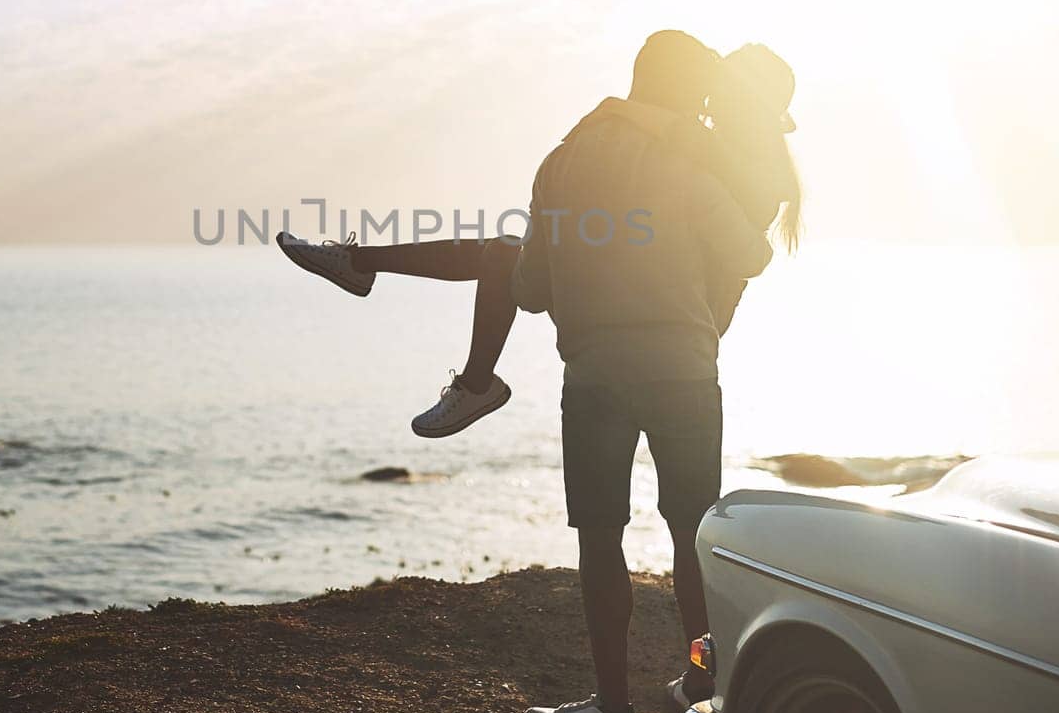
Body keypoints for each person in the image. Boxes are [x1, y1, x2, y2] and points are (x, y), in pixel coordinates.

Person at [277, 40, 800, 439]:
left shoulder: (739, 162)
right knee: (506, 250)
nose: (710, 97)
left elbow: (735, 254)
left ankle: (469, 375)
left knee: (506, 251)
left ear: (746, 101)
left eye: (723, 87)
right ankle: (363, 264)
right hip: (651, 296)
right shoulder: (716, 145)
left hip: (676, 316)